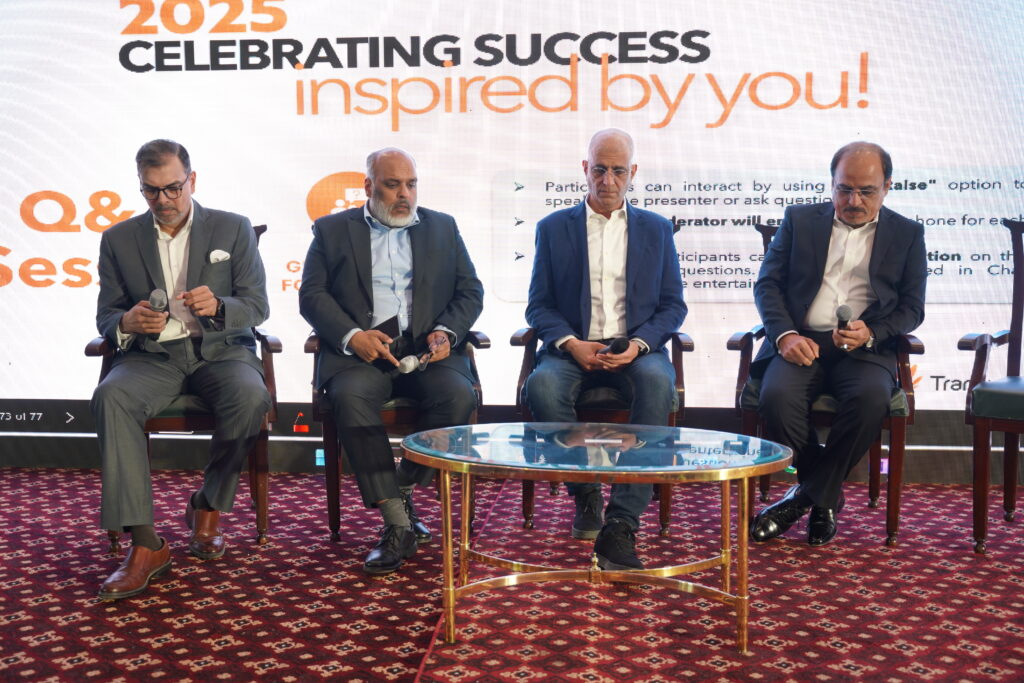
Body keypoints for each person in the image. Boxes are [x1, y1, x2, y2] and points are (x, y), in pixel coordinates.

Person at [91, 139, 271, 600]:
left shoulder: (233, 228)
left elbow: (257, 306)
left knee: (251, 397)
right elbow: (106, 315)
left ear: (192, 180)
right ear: (140, 187)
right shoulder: (118, 239)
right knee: (111, 396)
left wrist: (221, 305)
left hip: (222, 352)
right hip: (152, 356)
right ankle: (146, 544)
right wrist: (126, 322)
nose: (164, 200)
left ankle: (207, 505)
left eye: (173, 188)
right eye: (151, 191)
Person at [299, 148, 483, 576]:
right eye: (393, 184)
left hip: (425, 352)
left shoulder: (443, 226)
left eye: (411, 184)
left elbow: (470, 291)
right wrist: (352, 336)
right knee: (349, 397)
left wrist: (446, 332)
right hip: (363, 353)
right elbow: (312, 295)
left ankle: (400, 488)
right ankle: (398, 524)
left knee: (458, 396)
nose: (405, 195)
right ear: (369, 186)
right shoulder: (331, 230)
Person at [523, 128, 686, 570]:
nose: (608, 180)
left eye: (618, 171)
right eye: (599, 169)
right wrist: (571, 343)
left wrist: (638, 344)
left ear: (633, 172)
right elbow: (538, 305)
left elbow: (673, 305)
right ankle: (586, 493)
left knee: (657, 384)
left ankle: (622, 520)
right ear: (585, 169)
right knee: (542, 387)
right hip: (573, 350)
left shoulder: (656, 229)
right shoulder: (553, 228)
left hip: (636, 350)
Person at [750, 141, 927, 546]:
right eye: (844, 189)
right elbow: (768, 285)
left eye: (866, 191)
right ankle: (823, 495)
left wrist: (872, 333)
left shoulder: (907, 234)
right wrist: (785, 335)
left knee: (870, 400)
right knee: (776, 398)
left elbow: (912, 308)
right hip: (803, 341)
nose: (853, 201)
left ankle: (802, 499)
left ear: (887, 187)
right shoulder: (799, 220)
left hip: (864, 347)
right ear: (831, 184)